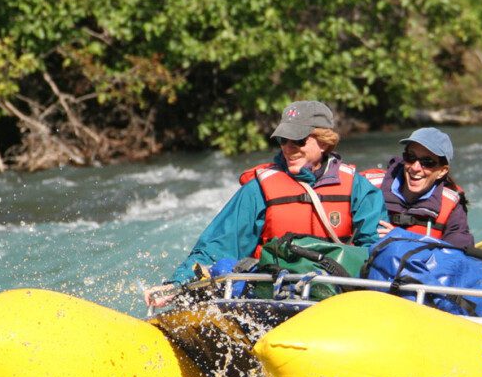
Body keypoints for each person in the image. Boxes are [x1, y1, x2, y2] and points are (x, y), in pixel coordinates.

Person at [144, 100, 386, 306]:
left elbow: (374, 250)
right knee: (225, 267)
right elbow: (217, 246)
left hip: (335, 298)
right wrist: (176, 285)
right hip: (275, 297)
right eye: (283, 140)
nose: (288, 148)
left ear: (323, 142)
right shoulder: (259, 189)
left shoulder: (357, 187)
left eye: (298, 140)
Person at [361, 127, 474, 248]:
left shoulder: (453, 206)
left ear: (442, 171)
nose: (415, 168)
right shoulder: (369, 185)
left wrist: (407, 241)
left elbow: (457, 254)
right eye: (410, 157)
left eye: (427, 162)